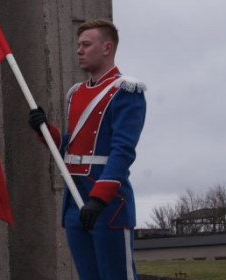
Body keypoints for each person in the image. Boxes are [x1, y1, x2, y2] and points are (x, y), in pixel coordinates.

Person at [28, 19, 146, 280]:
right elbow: (68, 148)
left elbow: (123, 151)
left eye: (86, 44)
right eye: (78, 45)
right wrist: (44, 128)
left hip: (106, 200)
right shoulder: (76, 93)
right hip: (75, 197)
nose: (79, 50)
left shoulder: (126, 90)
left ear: (107, 47)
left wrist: (100, 198)